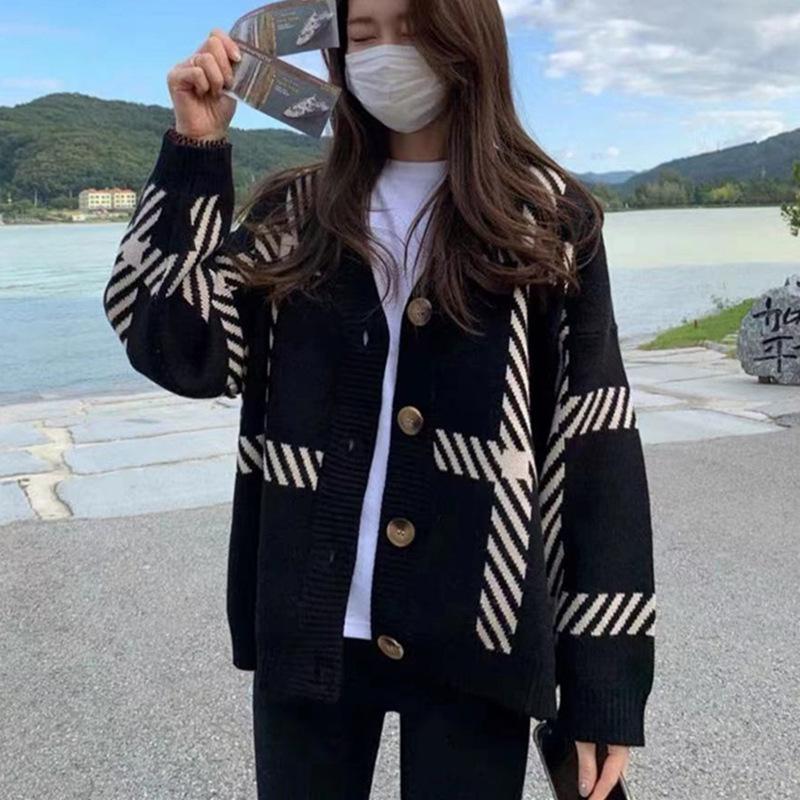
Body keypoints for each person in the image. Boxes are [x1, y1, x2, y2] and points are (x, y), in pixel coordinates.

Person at [102, 0, 656, 797]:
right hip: (310, 617)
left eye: (415, 28)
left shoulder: (547, 220)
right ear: (335, 51)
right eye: (363, 35)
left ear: (468, 39)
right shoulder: (295, 213)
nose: (389, 54)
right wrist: (195, 149)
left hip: (480, 626)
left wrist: (606, 683)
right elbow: (178, 349)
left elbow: (595, 443)